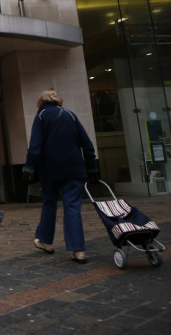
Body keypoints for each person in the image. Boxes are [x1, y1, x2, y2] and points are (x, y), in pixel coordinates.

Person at [21, 89, 98, 263]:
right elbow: (86, 143)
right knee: (72, 207)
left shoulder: (41, 116)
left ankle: (46, 241)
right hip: (74, 168)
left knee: (49, 203)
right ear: (59, 101)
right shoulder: (70, 115)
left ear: (41, 102)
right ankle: (78, 250)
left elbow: (35, 145)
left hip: (50, 170)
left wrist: (29, 167)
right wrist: (92, 167)